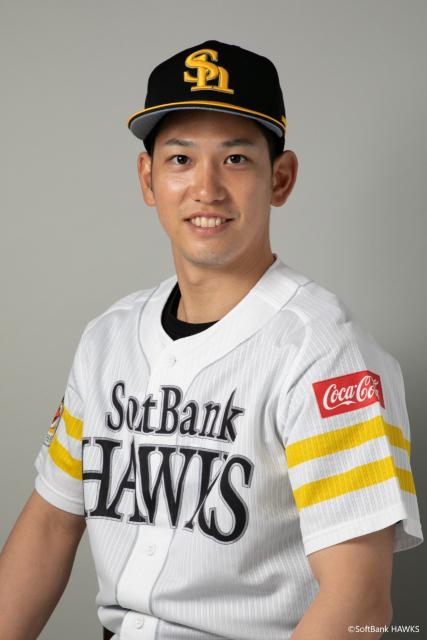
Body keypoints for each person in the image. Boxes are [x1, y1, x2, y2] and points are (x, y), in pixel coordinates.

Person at [0, 39, 423, 640]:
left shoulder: (328, 356)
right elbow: (47, 527)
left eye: (236, 159)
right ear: (148, 178)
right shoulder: (108, 339)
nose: (206, 188)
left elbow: (360, 603)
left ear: (281, 178)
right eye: (180, 159)